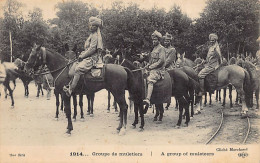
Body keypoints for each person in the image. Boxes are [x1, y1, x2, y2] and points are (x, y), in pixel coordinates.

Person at [63, 16, 103, 97]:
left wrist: (83, 56)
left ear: (96, 27)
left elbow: (92, 49)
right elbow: (88, 49)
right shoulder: (91, 35)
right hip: (87, 57)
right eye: (90, 25)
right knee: (73, 67)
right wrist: (82, 54)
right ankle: (72, 85)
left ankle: (71, 89)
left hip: (92, 58)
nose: (91, 27)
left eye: (93, 26)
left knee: (78, 69)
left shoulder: (95, 35)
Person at [143, 30, 166, 106]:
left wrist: (151, 67)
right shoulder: (154, 49)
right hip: (152, 68)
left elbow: (161, 61)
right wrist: (147, 65)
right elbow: (151, 60)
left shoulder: (161, 48)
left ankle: (148, 99)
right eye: (153, 40)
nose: (153, 41)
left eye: (155, 40)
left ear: (159, 40)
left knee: (150, 80)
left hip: (158, 70)